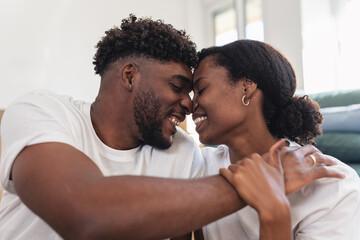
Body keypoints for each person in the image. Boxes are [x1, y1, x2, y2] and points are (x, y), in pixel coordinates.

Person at [0, 15, 343, 240]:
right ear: (130, 76)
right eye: (178, 87)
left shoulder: (183, 153)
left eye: (197, 90)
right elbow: (84, 215)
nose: (188, 103)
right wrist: (265, 182)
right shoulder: (43, 111)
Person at [191, 39, 360, 239]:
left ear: (246, 87)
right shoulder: (199, 166)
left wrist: (272, 207)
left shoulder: (333, 185)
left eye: (200, 90)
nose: (190, 104)